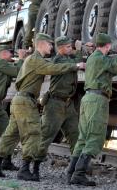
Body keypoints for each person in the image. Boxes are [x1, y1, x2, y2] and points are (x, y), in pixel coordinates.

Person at [0, 33, 85, 181]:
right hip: (25, 101)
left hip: (21, 100)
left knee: (11, 135)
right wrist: (75, 65)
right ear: (40, 44)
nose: (51, 47)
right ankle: (24, 169)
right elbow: (52, 68)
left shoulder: (33, 59)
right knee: (33, 134)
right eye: (49, 44)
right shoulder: (35, 59)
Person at [69, 33, 117, 186]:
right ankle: (79, 174)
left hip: (87, 98)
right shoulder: (102, 59)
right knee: (95, 136)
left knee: (83, 137)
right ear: (107, 46)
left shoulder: (91, 58)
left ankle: (71, 172)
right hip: (97, 100)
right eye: (110, 47)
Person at [34, 37, 84, 172]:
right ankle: (33, 167)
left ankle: (74, 171)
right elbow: (73, 65)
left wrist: (80, 52)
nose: (70, 49)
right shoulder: (58, 60)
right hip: (54, 104)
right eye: (68, 47)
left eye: (70, 47)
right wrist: (78, 52)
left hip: (67, 104)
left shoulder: (67, 59)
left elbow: (75, 63)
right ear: (60, 48)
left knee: (75, 136)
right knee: (46, 136)